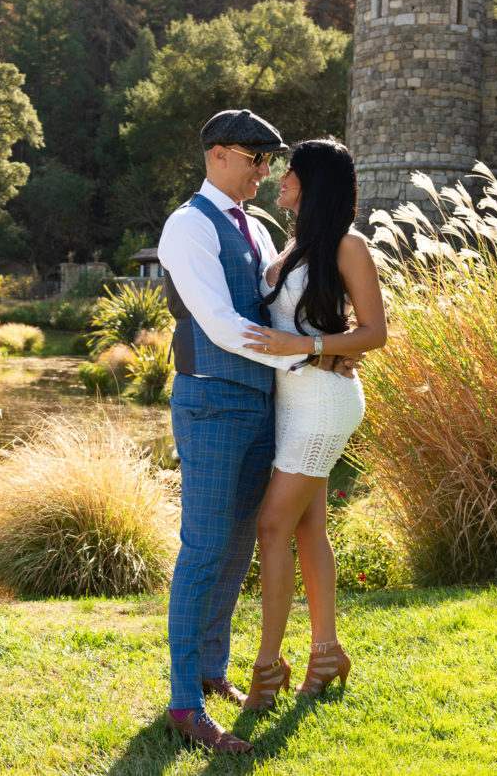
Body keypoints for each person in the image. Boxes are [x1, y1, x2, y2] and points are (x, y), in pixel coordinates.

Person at [157, 110, 353, 753]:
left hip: (263, 405)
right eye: (254, 158)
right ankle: (185, 704)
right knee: (203, 551)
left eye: (271, 161)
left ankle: (213, 670)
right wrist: (314, 354)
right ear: (217, 154)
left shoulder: (260, 231)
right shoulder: (188, 225)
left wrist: (322, 344)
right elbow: (218, 323)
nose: (265, 170)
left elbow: (283, 306)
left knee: (239, 548)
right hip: (212, 403)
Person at [238, 138, 387, 710]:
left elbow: (375, 333)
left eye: (290, 172)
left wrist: (310, 346)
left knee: (272, 528)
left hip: (324, 403)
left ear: (313, 182)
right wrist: (313, 348)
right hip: (295, 400)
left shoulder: (348, 245)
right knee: (304, 529)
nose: (279, 178)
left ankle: (267, 668)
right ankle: (325, 652)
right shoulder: (294, 245)